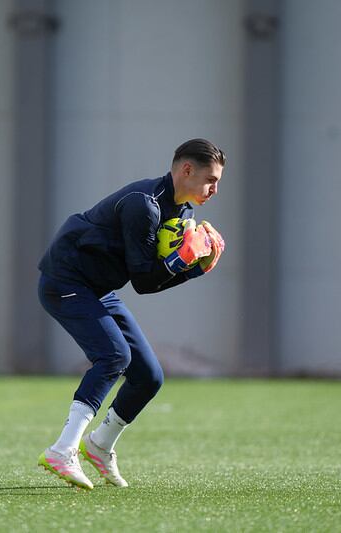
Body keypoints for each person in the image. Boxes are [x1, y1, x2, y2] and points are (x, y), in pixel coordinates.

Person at [36, 138, 226, 490]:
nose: (215, 189)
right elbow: (142, 280)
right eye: (210, 179)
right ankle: (62, 450)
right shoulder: (145, 205)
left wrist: (196, 268)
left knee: (149, 376)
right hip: (65, 279)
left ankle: (99, 444)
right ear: (186, 170)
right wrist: (183, 260)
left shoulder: (183, 213)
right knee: (113, 356)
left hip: (98, 289)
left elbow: (150, 282)